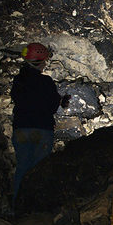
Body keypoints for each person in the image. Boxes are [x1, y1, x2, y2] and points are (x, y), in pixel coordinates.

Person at [11, 42, 70, 206]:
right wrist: (61, 102)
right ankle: (34, 206)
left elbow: (19, 100)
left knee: (22, 168)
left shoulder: (18, 81)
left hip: (21, 129)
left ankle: (17, 204)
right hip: (41, 129)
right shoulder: (46, 82)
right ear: (40, 61)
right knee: (38, 169)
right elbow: (51, 107)